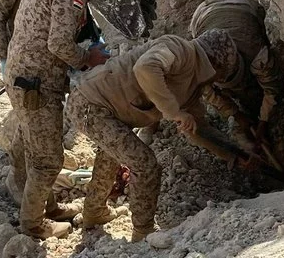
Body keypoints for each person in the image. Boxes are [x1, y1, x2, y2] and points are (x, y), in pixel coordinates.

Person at [64, 29, 240, 242]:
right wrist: (173, 111)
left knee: (110, 156)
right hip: (90, 104)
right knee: (144, 163)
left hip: (103, 109)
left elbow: (198, 130)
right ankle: (143, 232)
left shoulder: (192, 86)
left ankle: (93, 212)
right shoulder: (180, 49)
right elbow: (146, 68)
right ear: (215, 64)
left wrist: (234, 155)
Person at [5, 0, 118, 239]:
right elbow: (58, 44)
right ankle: (33, 223)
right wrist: (88, 58)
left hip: (23, 75)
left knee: (34, 147)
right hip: (37, 83)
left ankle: (48, 207)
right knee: (47, 159)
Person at [189, 0, 282, 153]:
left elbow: (272, 89)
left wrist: (263, 122)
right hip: (203, 14)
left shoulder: (257, 55)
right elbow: (208, 93)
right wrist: (236, 115)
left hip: (244, 7)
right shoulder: (196, 60)